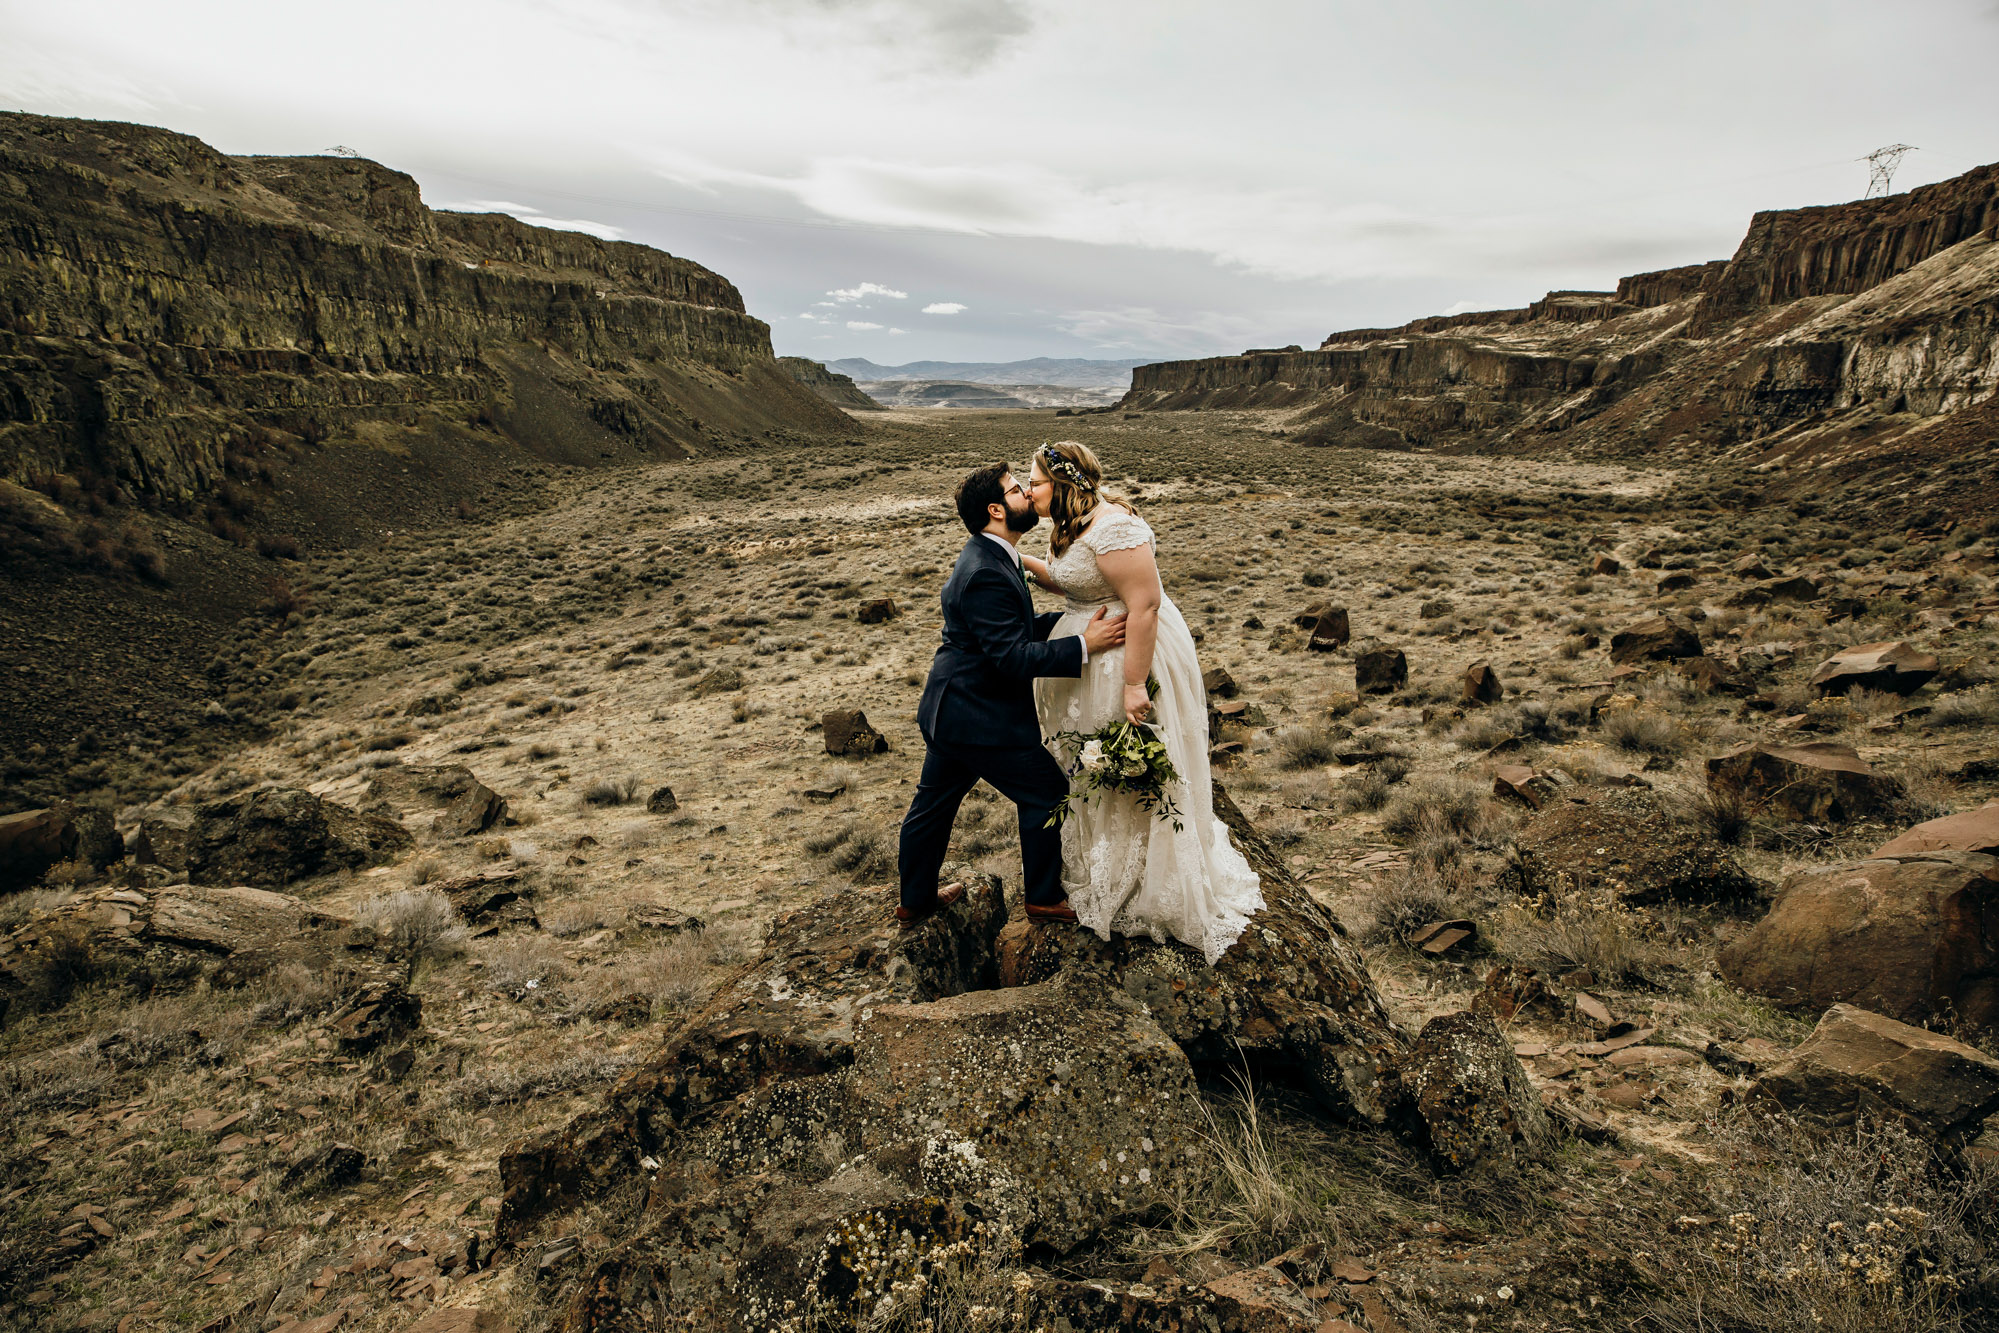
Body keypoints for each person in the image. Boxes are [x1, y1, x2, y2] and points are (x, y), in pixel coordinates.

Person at [1020, 440, 1264, 964]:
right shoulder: (1070, 528)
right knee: (1089, 760)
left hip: (1126, 655)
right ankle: (1104, 864)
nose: (1028, 491)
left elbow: (1145, 606)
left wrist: (1133, 686)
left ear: (1062, 485)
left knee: (1125, 755)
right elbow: (1071, 579)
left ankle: (1149, 877)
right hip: (1087, 653)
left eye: (1036, 482)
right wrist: (1015, 559)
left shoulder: (1114, 528)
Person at [895, 463, 1128, 929]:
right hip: (979, 716)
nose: (1027, 493)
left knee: (933, 806)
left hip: (951, 709)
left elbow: (1007, 633)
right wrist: (1086, 646)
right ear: (997, 510)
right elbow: (1011, 658)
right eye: (1017, 489)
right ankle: (1042, 898)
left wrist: (1074, 626)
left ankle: (915, 901)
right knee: (1046, 792)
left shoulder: (993, 555)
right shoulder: (986, 569)